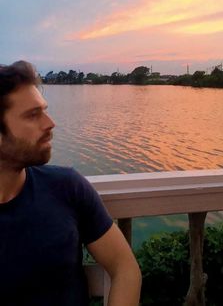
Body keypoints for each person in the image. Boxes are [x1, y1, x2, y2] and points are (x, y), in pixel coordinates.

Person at [0, 60, 142, 306]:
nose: (50, 123)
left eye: (44, 110)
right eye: (33, 115)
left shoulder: (67, 188)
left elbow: (125, 268)